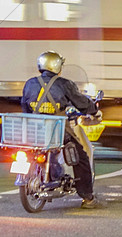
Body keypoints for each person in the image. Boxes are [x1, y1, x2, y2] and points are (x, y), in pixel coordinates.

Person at [21, 50, 105, 209]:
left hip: (35, 131)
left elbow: (25, 106)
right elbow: (81, 102)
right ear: (57, 66)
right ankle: (88, 198)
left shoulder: (29, 83)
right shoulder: (64, 84)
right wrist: (94, 111)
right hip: (57, 132)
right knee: (81, 157)